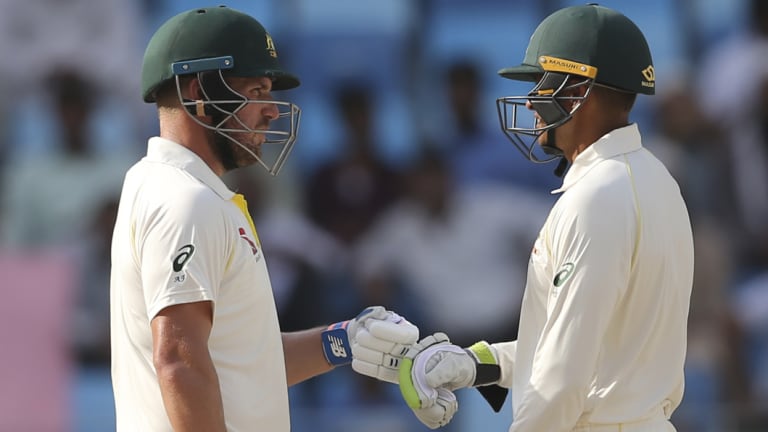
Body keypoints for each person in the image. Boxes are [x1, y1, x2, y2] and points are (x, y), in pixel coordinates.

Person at [110, 7, 425, 431]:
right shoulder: (185, 200)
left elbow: (244, 364)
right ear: (198, 93)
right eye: (257, 90)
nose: (272, 110)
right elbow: (179, 364)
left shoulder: (169, 187)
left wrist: (343, 341)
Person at [398, 4, 695, 431]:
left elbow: (563, 378)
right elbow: (593, 347)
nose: (532, 102)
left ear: (577, 93)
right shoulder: (656, 179)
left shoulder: (596, 197)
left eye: (540, 84)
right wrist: (478, 363)